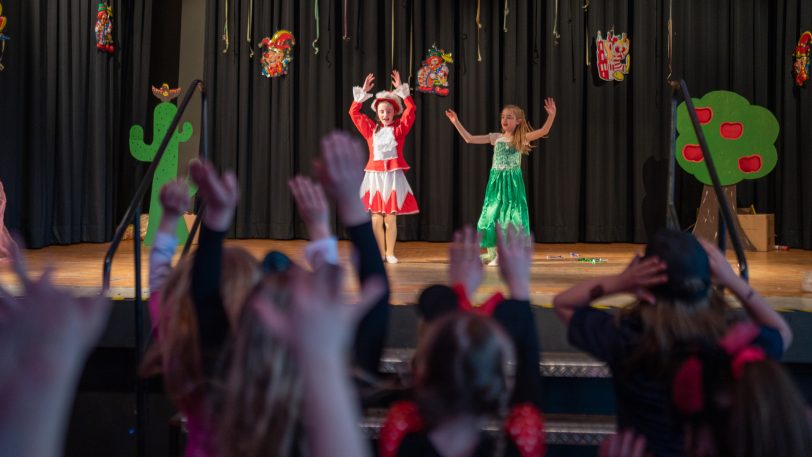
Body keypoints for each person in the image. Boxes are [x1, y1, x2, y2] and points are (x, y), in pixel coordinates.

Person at [552, 228, 792, 457]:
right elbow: (781, 332)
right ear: (708, 281)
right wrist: (732, 280)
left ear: (646, 284)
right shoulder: (728, 341)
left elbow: (563, 303)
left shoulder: (628, 338)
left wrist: (622, 281)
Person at [379, 225, 546, 457]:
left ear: (420, 373)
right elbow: (529, 380)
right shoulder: (516, 448)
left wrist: (458, 291)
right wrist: (519, 288)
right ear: (496, 387)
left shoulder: (401, 443)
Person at [445, 99, 556, 265]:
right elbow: (469, 139)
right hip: (496, 185)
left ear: (518, 121)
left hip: (512, 185)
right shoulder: (496, 137)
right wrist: (456, 122)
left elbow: (543, 130)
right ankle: (494, 253)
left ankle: (506, 254)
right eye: (503, 116)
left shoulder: (521, 138)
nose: (505, 120)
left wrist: (551, 115)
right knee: (491, 217)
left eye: (509, 117)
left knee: (511, 219)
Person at [349, 70, 419, 264]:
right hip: (375, 177)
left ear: (393, 112)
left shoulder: (399, 129)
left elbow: (410, 111)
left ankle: (390, 253)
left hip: (392, 177)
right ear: (377, 114)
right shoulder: (371, 129)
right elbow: (354, 113)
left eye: (389, 111)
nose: (386, 114)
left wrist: (403, 93)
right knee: (376, 219)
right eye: (382, 112)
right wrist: (362, 93)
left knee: (390, 219)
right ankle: (380, 253)